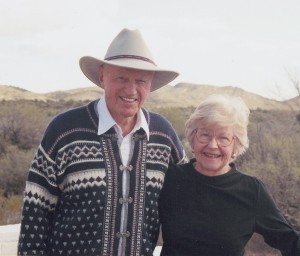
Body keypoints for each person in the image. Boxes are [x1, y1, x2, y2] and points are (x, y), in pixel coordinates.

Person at [18, 28, 187, 256]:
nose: (131, 90)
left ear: (151, 85)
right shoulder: (64, 130)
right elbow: (35, 211)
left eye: (140, 81)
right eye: (121, 78)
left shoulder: (164, 135)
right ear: (102, 77)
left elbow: (190, 196)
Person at [159, 94, 300, 255]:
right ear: (192, 138)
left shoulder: (251, 191)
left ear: (236, 144)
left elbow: (290, 241)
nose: (213, 145)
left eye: (223, 138)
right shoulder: (170, 178)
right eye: (205, 135)